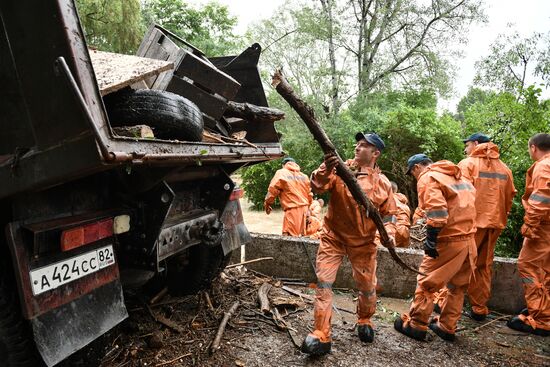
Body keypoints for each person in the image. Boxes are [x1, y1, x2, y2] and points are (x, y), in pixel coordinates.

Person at [301, 132, 397, 355]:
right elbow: (317, 185)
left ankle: (365, 319)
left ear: (376, 153)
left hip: (363, 244)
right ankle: (321, 334)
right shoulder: (340, 170)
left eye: (364, 145)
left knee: (367, 286)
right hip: (333, 237)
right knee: (324, 282)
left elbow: (389, 214)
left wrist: (389, 232)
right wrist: (326, 167)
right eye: (357, 144)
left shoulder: (383, 184)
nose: (357, 147)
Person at [433, 133, 516, 321]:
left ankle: (443, 302)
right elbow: (509, 198)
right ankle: (479, 308)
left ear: (476, 144)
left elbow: (459, 197)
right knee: (483, 266)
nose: (465, 149)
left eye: (467, 144)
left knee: (460, 264)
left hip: (470, 225)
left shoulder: (467, 164)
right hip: (495, 224)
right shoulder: (505, 169)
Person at [394, 154, 477, 342]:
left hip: (449, 239)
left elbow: (437, 211)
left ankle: (416, 324)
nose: (414, 177)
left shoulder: (427, 177)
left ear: (416, 168)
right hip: (469, 239)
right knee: (457, 286)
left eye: (412, 173)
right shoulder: (459, 175)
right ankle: (447, 327)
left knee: (427, 282)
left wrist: (431, 239)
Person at [507, 133, 550, 336]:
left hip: (543, 226)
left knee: (528, 266)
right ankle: (545, 309)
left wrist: (530, 225)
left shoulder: (543, 166)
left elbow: (541, 197)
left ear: (533, 147)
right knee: (546, 271)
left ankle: (541, 318)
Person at [264, 157, 312, 236]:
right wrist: (308, 209)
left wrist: (267, 203)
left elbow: (273, 189)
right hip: (305, 210)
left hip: (293, 210)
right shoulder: (304, 176)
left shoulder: (281, 173)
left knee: (289, 239)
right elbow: (309, 194)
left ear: (283, 165)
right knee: (302, 239)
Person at [374, 181, 411, 247]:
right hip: (405, 233)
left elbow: (388, 220)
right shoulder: (404, 204)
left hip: (393, 231)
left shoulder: (387, 200)